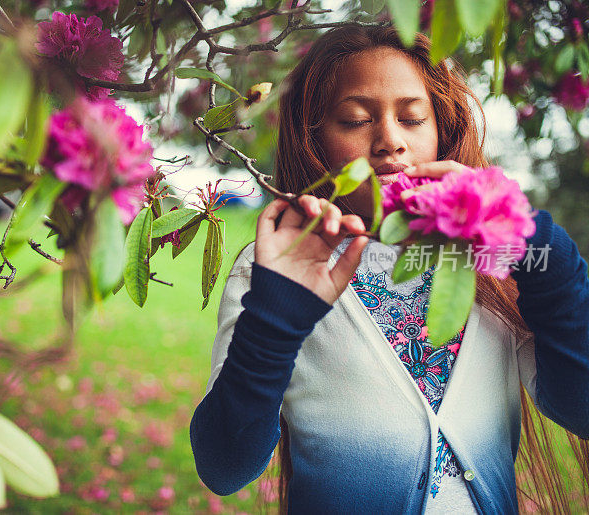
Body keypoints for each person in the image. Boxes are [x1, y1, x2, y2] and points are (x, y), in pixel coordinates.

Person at [189, 24, 589, 514]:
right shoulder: (275, 269)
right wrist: (275, 322)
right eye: (355, 120)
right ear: (314, 141)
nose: (390, 142)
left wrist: (536, 247)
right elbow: (224, 466)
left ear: (441, 131)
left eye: (413, 118)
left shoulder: (494, 260)